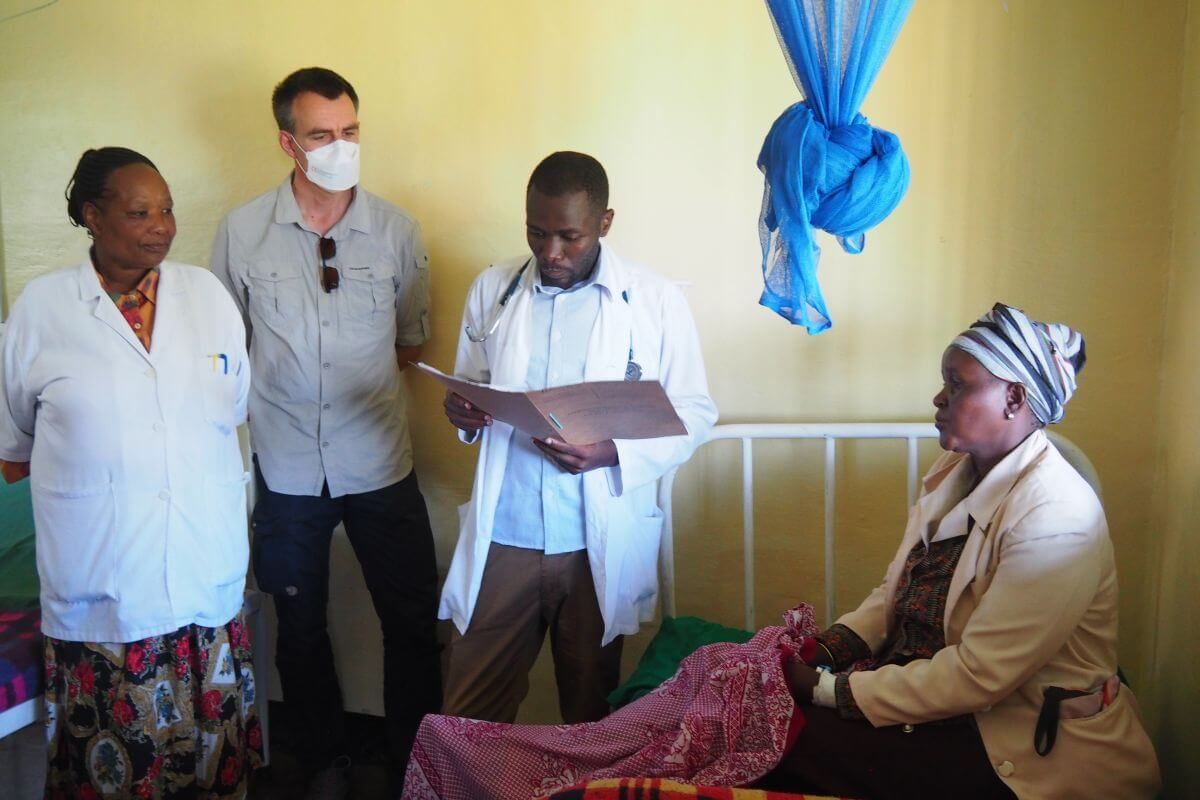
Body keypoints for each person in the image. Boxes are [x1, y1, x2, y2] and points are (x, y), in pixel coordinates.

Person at [405, 303, 1161, 800]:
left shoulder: (1057, 515)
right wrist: (832, 647)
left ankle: (559, 778)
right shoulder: (955, 471)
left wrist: (827, 692)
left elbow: (978, 677)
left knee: (768, 737)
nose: (938, 398)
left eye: (956, 385)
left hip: (1012, 741)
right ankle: (525, 759)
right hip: (932, 693)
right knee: (726, 686)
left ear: (1017, 400)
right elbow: (895, 595)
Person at [0, 147, 261, 798]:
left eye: (167, 209)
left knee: (212, 769)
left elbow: (231, 408)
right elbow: (15, 446)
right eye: (140, 212)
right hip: (104, 596)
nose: (161, 226)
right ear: (93, 216)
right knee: (117, 775)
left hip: (204, 578)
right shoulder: (41, 309)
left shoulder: (207, 296)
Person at [210, 67, 439, 797]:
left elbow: (409, 345)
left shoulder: (397, 231)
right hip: (285, 468)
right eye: (321, 135)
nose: (341, 146)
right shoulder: (242, 233)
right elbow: (226, 349)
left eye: (350, 131)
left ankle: (415, 764)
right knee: (299, 626)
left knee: (411, 621)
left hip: (379, 462)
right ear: (288, 143)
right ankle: (326, 760)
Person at [438, 151, 718, 726]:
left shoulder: (654, 299)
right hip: (507, 530)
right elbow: (473, 383)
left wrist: (611, 452)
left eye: (570, 236)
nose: (551, 252)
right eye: (536, 233)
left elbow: (694, 411)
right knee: (468, 715)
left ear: (604, 223)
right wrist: (463, 411)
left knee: (590, 713)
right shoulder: (494, 288)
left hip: (594, 537)